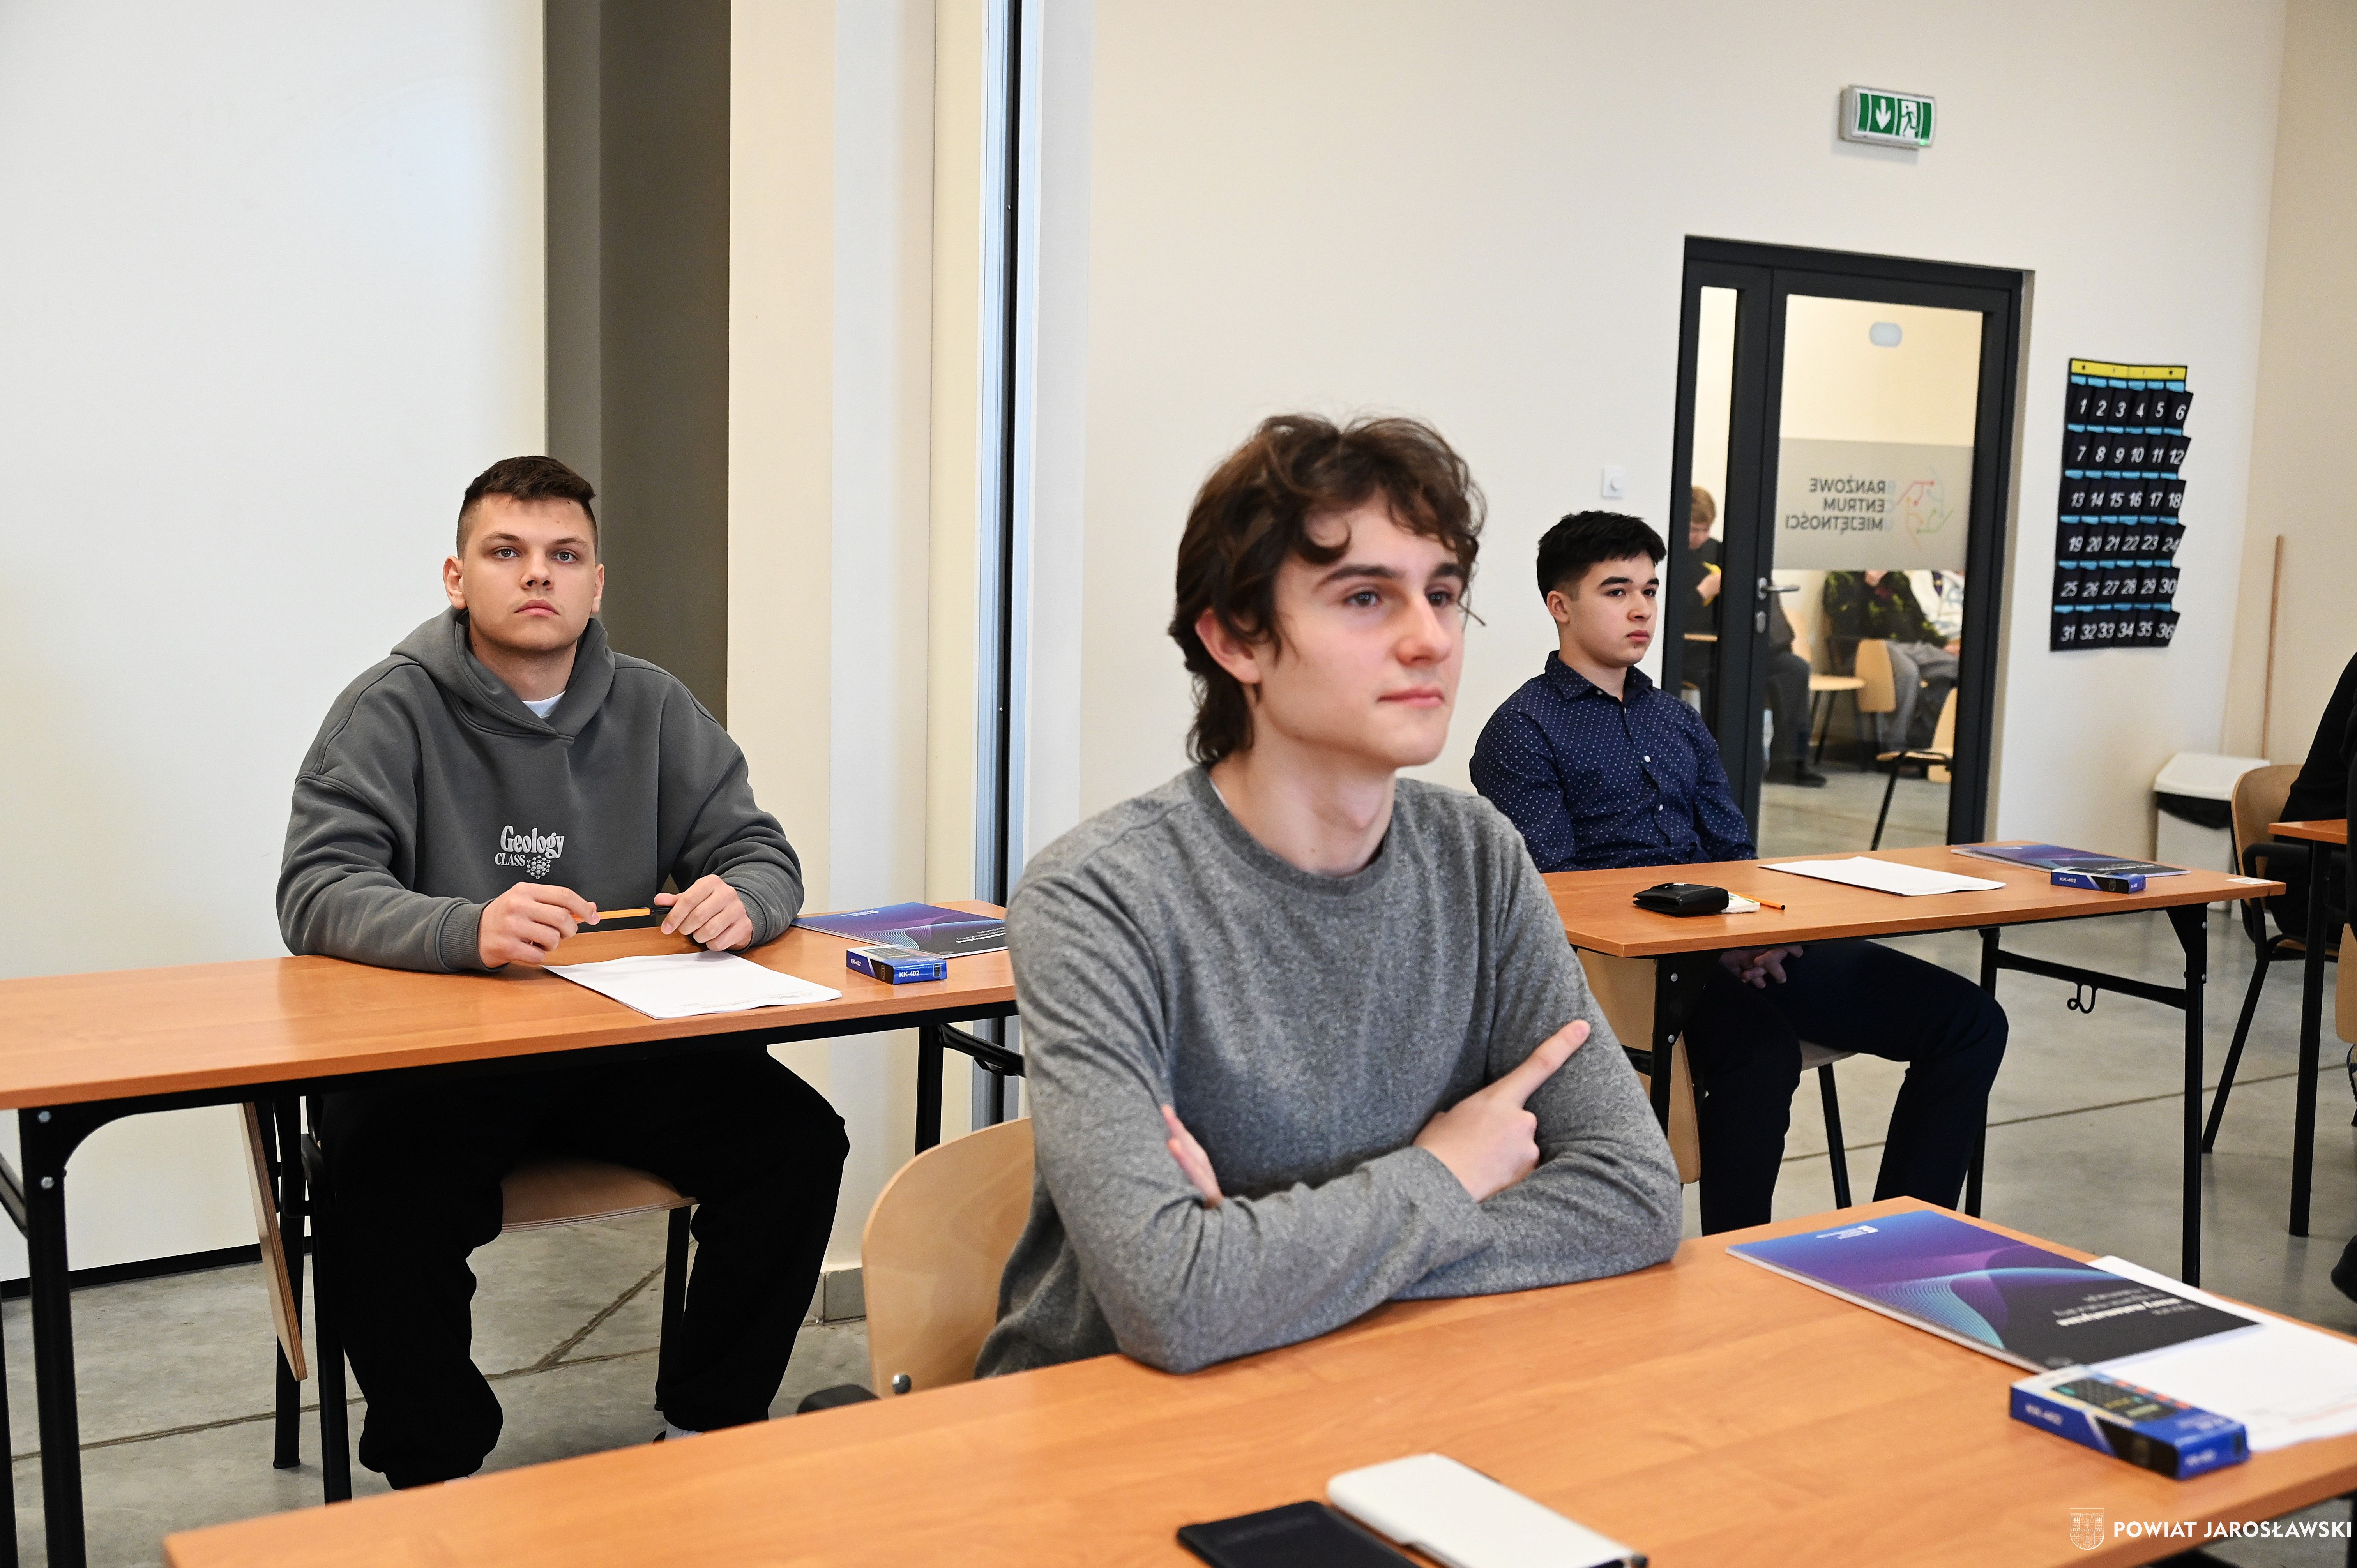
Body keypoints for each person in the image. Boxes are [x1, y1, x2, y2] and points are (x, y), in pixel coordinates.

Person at [976, 416, 1682, 1377]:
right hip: (1115, 1411)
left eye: (1443, 594)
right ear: (1237, 639)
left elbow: (1635, 1194)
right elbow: (1172, 1299)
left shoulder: (1479, 856)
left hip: (1389, 1381)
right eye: (1365, 597)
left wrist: (1264, 1265)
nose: (1430, 639)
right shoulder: (1099, 895)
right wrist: (1448, 1171)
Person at [278, 455, 848, 1487]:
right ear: (457, 578)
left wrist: (745, 897)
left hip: (616, 1052)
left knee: (796, 1145)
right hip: (439, 1065)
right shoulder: (386, 709)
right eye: (507, 552)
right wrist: (466, 928)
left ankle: (710, 1423)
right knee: (378, 1199)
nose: (537, 574)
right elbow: (317, 891)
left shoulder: (656, 706)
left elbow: (759, 852)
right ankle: (437, 1469)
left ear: (596, 582)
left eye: (564, 555)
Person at [1468, 511, 2007, 1233]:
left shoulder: (1676, 720)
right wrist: (1715, 944)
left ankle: (1903, 1235)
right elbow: (1561, 893)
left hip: (1740, 944)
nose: (1641, 609)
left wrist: (1763, 933)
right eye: (1616, 591)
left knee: (1968, 1020)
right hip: (1633, 972)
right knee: (1760, 1057)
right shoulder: (1522, 729)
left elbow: (1733, 850)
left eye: (1650, 590)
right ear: (1560, 606)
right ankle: (1735, 1260)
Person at [1687, 487, 1823, 786]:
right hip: (1695, 649)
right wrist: (1703, 592)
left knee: (1795, 669)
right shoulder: (1670, 556)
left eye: (1705, 530)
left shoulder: (1723, 551)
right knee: (1719, 674)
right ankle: (1724, 764)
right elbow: (1671, 614)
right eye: (1694, 529)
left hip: (1736, 644)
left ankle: (1790, 763)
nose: (1700, 537)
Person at [1821, 569, 1958, 752]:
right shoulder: (1841, 579)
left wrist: (1942, 644)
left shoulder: (1897, 579)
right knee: (1908, 672)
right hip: (1867, 649)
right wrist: (1868, 587)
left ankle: (1924, 738)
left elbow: (1917, 619)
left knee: (1956, 666)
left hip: (1908, 647)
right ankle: (1894, 748)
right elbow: (1846, 626)